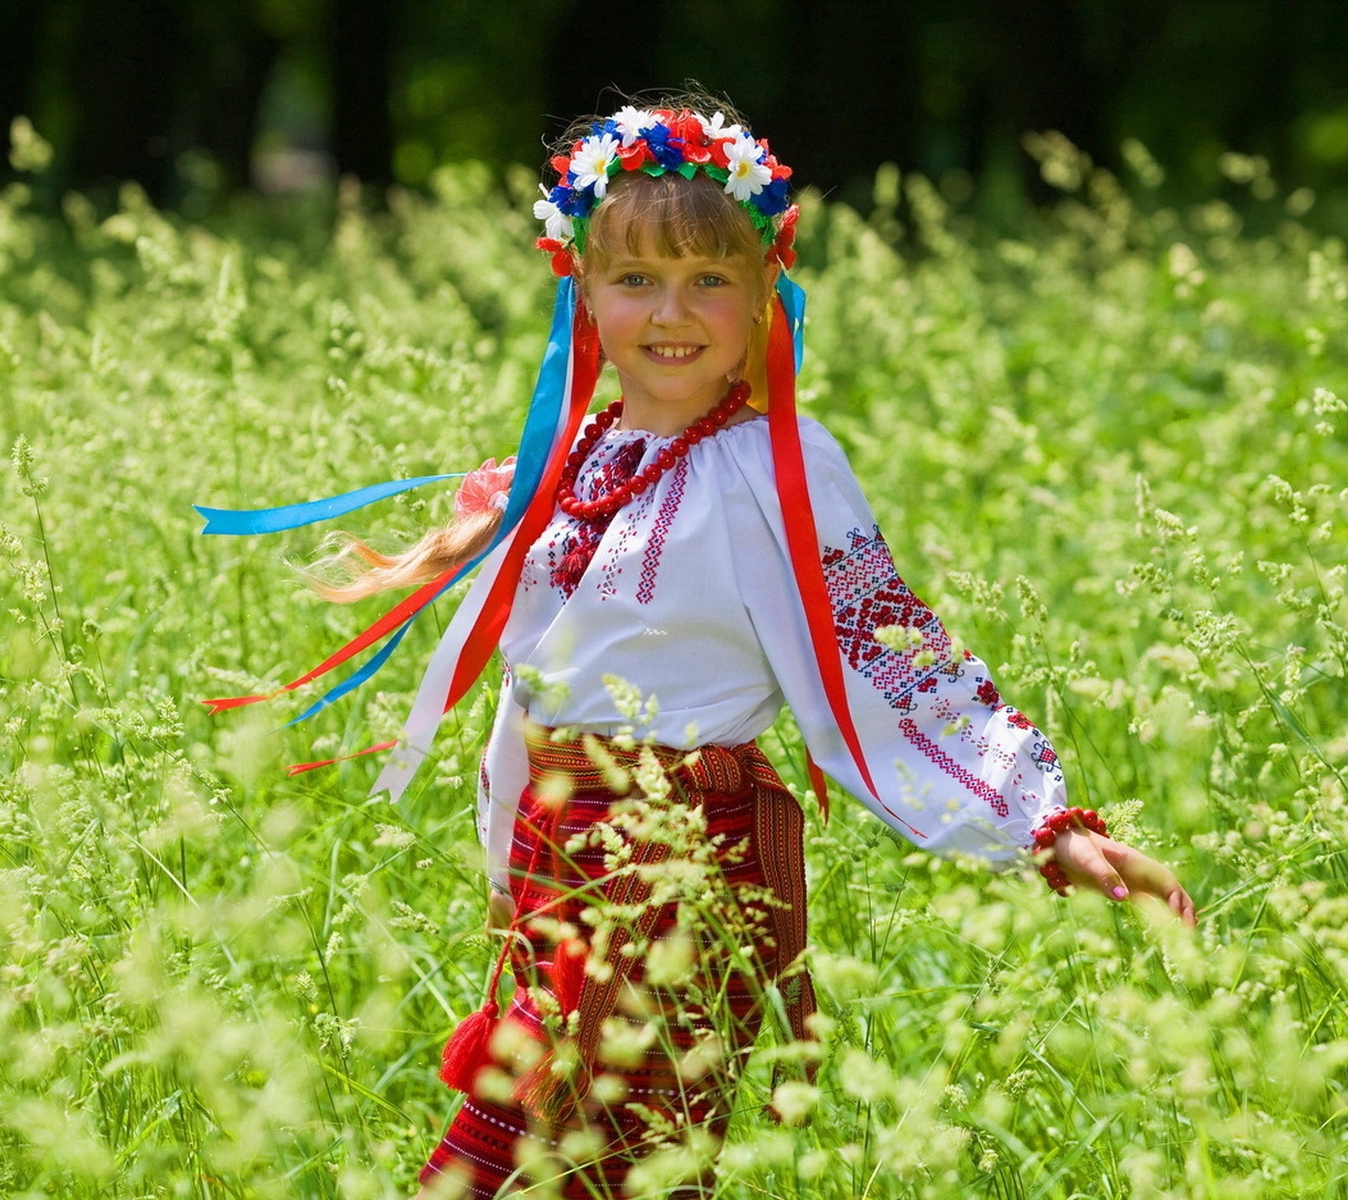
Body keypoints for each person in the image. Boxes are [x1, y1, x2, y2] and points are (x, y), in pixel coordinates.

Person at [198, 92, 1194, 1200]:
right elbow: (536, 680)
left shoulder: (781, 468)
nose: (673, 313)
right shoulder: (581, 451)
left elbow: (895, 658)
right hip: (558, 871)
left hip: (680, 876)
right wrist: (505, 863)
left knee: (559, 1176)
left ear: (766, 292)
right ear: (582, 293)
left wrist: (1041, 824)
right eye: (636, 281)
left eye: (710, 281)